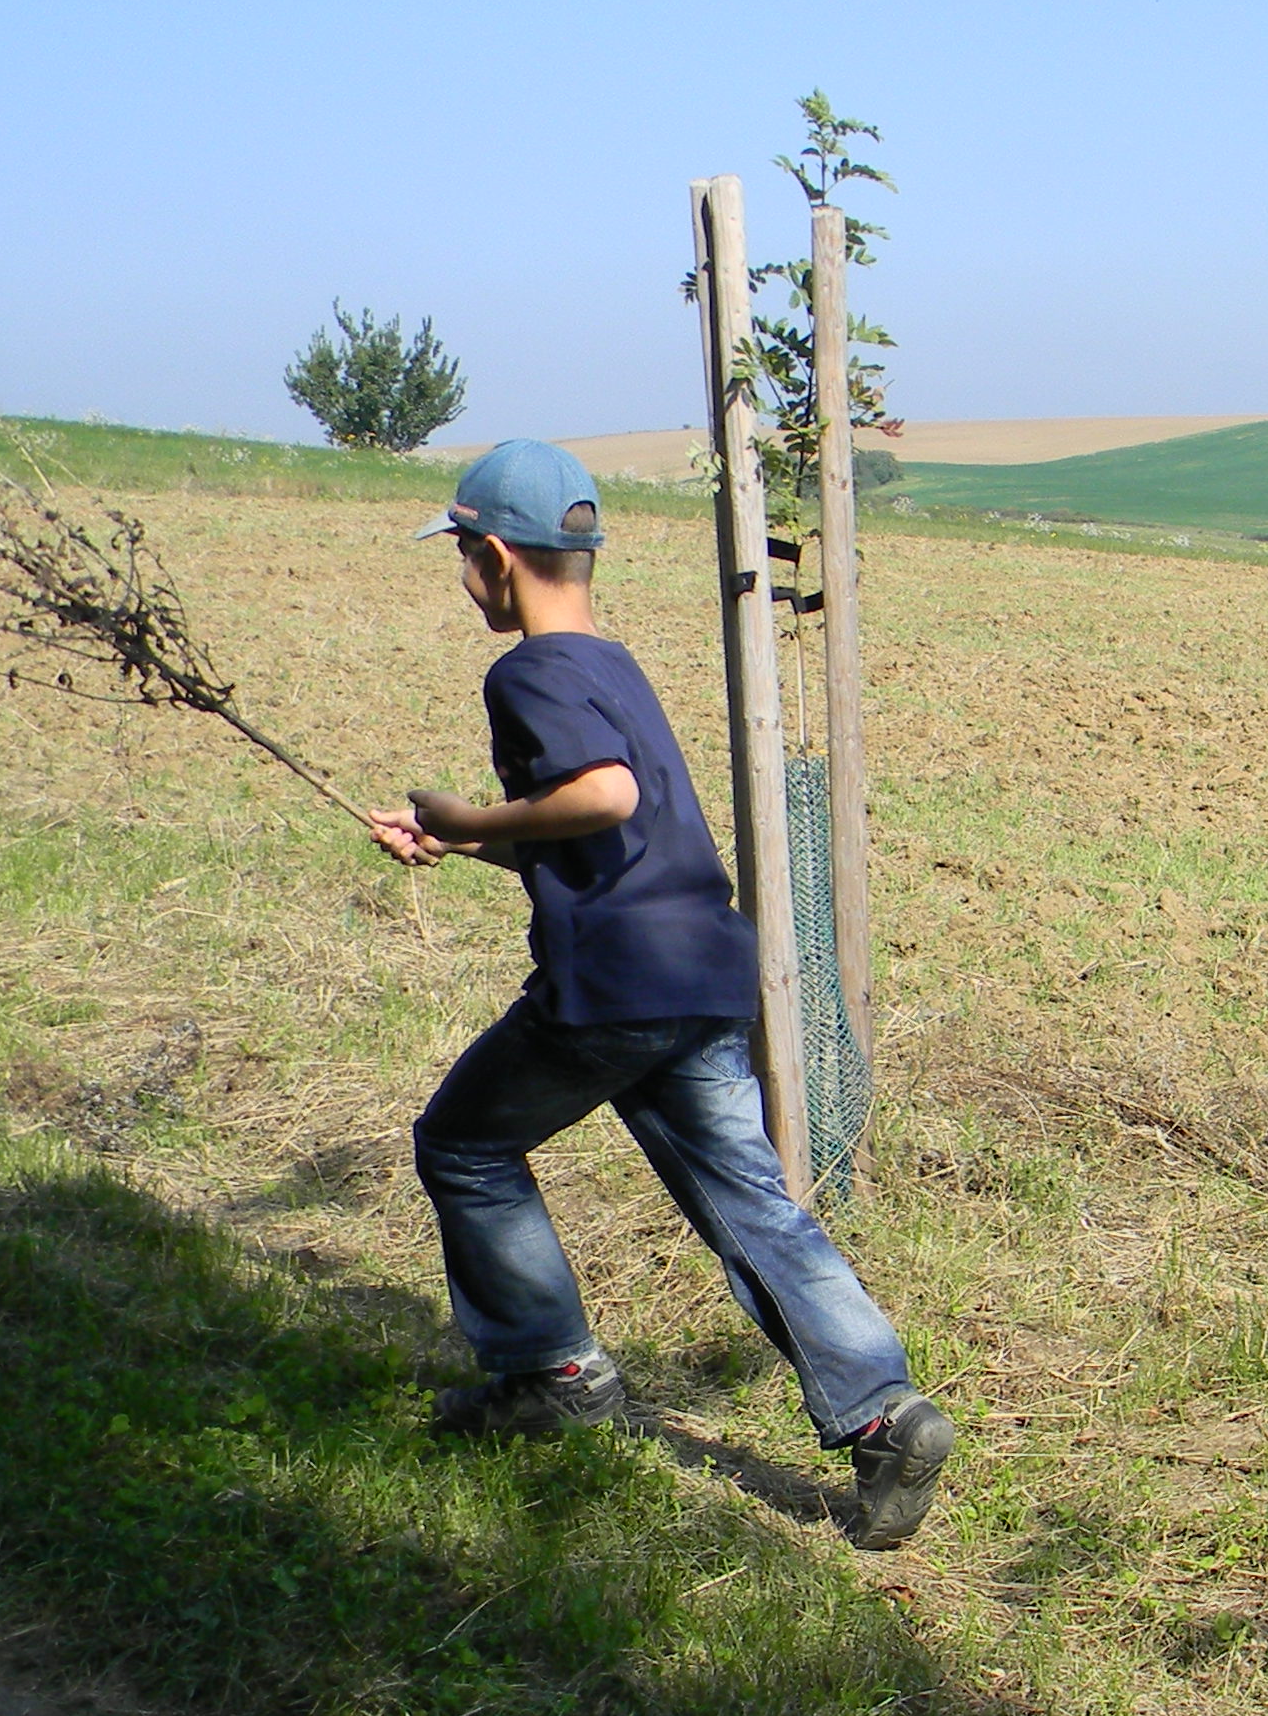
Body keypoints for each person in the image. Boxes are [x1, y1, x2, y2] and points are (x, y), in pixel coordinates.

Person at [363, 436, 958, 1549]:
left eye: (461, 556)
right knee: (750, 1203)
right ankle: (887, 1413)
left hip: (614, 986)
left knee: (463, 1145)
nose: (461, 578)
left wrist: (471, 818)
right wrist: (467, 846)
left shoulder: (527, 671)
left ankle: (552, 1373)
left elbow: (599, 793)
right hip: (700, 971)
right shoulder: (612, 662)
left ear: (495, 555)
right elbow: (610, 833)